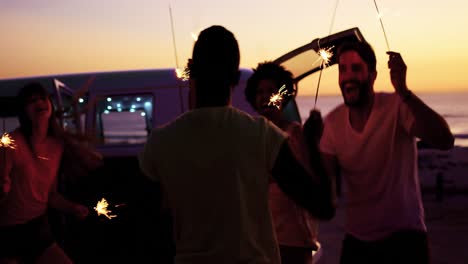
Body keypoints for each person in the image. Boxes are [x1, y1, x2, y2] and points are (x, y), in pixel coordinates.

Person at [139, 25, 334, 264]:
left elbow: (144, 225)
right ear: (235, 79)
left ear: (192, 71)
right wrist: (312, 145)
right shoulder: (262, 136)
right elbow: (323, 207)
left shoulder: (160, 142)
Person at [305, 41, 454, 263]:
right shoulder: (333, 123)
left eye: (356, 68)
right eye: (342, 69)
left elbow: (444, 139)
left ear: (373, 75)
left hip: (406, 237)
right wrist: (309, 143)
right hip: (357, 239)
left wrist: (404, 92)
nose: (348, 77)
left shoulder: (397, 106)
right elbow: (322, 187)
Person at [0, 83, 93, 264]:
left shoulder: (56, 146)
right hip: (7, 230)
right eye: (31, 101)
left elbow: (50, 195)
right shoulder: (10, 143)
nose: (39, 102)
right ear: (24, 111)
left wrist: (72, 208)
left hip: (37, 227)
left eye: (42, 98)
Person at [245, 61, 321, 264]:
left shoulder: (295, 134)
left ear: (283, 96)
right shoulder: (250, 134)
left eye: (271, 90)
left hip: (293, 240)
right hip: (259, 239)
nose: (265, 96)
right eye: (260, 91)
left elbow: (309, 177)